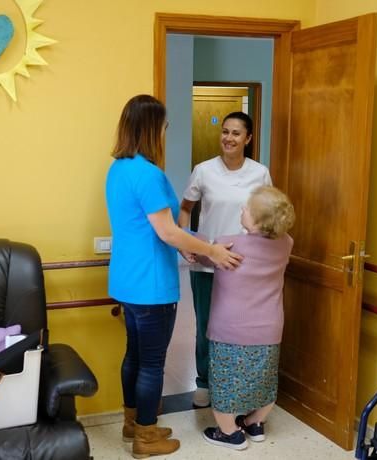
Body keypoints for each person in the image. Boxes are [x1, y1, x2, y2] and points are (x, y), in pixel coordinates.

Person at [105, 94, 242, 458]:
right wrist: (211, 249)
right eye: (163, 127)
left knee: (133, 355)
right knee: (151, 363)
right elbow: (166, 231)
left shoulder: (118, 169)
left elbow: (149, 228)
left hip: (126, 280)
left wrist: (186, 245)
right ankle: (146, 439)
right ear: (151, 129)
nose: (165, 133)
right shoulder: (149, 174)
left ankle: (135, 422)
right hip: (151, 286)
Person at [178, 111, 272, 408]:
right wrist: (185, 242)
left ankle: (240, 386)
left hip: (245, 265)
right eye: (225, 132)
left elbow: (269, 214)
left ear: (248, 139)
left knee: (240, 328)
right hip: (207, 262)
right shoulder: (203, 170)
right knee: (208, 325)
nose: (228, 138)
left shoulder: (260, 173)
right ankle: (205, 383)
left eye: (236, 133)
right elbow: (185, 208)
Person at [200, 185, 295, 450]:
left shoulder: (229, 243)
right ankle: (255, 422)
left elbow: (205, 258)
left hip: (230, 329)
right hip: (269, 329)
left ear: (258, 220)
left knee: (224, 381)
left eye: (247, 208)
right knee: (264, 379)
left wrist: (198, 244)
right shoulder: (287, 243)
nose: (242, 209)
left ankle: (230, 433)